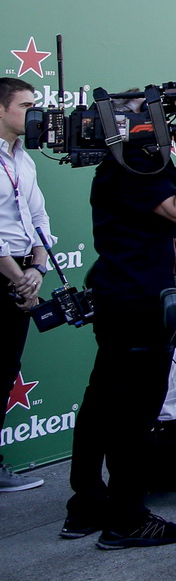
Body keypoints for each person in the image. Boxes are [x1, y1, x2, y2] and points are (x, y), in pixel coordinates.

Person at [65, 123, 176, 547]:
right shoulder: (128, 168)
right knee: (132, 416)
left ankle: (88, 506)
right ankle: (127, 519)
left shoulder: (147, 164)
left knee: (101, 404)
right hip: (136, 305)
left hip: (132, 301)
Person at [0, 77, 53, 492]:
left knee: (5, 369)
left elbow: (38, 218)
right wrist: (18, 278)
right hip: (4, 275)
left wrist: (37, 268)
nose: (34, 114)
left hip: (20, 276)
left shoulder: (25, 159)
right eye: (25, 105)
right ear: (1, 109)